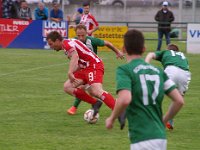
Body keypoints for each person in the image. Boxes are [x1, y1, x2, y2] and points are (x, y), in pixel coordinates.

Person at [105, 29, 184, 150]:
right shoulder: (159, 71)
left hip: (141, 138)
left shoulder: (125, 70)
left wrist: (111, 118)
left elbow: (125, 99)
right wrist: (164, 120)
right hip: (160, 138)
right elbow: (179, 101)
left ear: (124, 49)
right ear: (144, 49)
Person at [46, 31, 125, 127]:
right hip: (85, 68)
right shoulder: (67, 45)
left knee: (97, 91)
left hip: (94, 65)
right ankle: (95, 103)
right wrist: (74, 74)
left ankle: (119, 111)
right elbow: (79, 62)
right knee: (67, 87)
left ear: (57, 40)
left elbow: (75, 56)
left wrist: (70, 72)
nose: (51, 46)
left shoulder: (66, 44)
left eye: (51, 44)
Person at [67, 24, 124, 115]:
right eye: (78, 35)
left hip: (93, 68)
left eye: (83, 35)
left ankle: (76, 107)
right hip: (82, 68)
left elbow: (107, 43)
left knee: (91, 91)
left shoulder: (91, 40)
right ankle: (106, 103)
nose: (81, 38)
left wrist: (117, 52)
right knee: (85, 89)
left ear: (87, 33)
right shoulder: (74, 41)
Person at [145, 43, 191, 130]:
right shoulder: (183, 56)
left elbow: (150, 54)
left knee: (154, 92)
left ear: (168, 49)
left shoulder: (166, 52)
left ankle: (151, 117)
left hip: (171, 70)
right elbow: (186, 68)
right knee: (178, 99)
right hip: (185, 74)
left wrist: (146, 65)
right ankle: (169, 119)